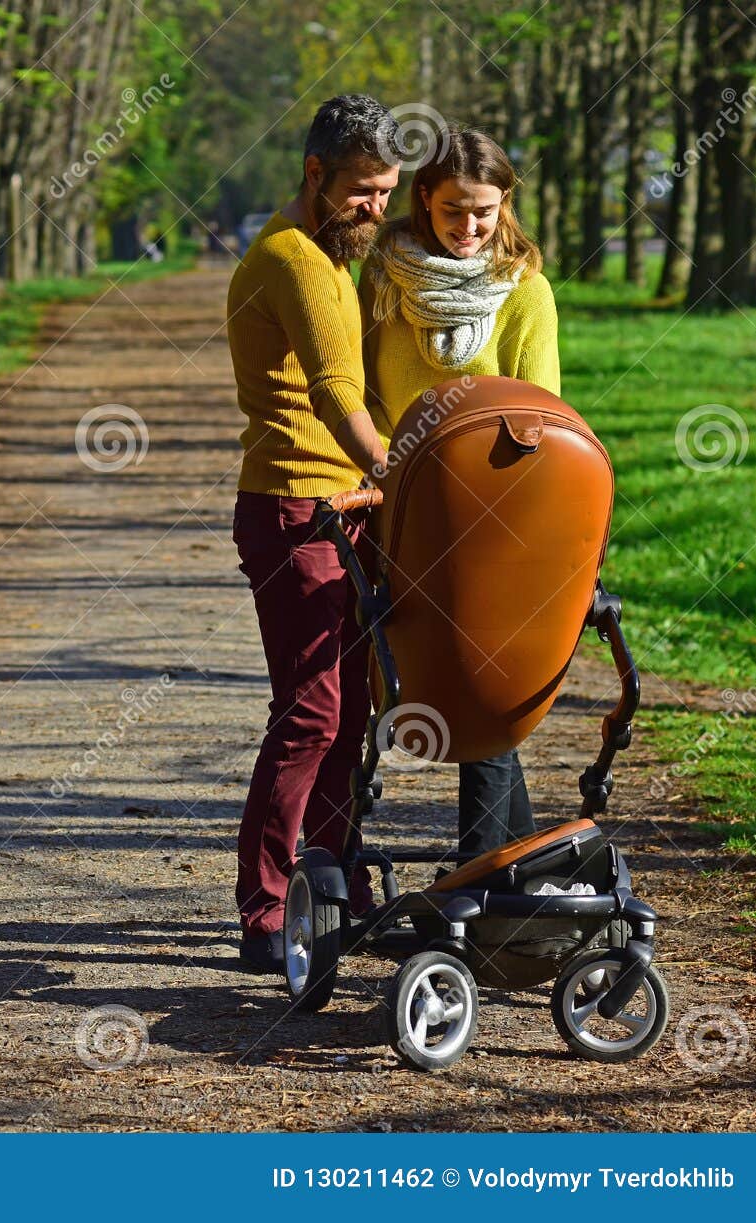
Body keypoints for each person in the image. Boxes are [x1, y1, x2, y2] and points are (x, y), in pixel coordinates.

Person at [226, 95, 399, 974]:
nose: (376, 208)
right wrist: (399, 470)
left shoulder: (332, 255)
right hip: (294, 508)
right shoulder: (291, 260)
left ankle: (335, 880)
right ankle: (263, 908)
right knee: (312, 710)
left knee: (354, 709)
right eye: (363, 191)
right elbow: (334, 393)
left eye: (387, 192)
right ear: (314, 175)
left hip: (344, 506)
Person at [359, 126, 558, 859]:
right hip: (398, 511)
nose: (470, 227)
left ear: (504, 205)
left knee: (481, 695)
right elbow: (367, 391)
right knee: (392, 684)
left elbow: (540, 410)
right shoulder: (384, 276)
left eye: (484, 211)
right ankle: (515, 875)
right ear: (423, 200)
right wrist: (380, 465)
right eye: (453, 210)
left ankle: (486, 877)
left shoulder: (525, 292)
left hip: (491, 517)